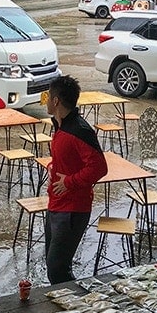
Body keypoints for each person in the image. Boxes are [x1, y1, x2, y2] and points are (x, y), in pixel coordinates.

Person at [44, 75, 108, 284]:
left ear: (56, 101)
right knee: (53, 264)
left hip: (72, 209)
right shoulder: (60, 126)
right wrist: (53, 169)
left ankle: (78, 309)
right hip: (56, 203)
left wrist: (68, 182)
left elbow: (99, 167)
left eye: (47, 96)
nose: (45, 100)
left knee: (57, 269)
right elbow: (68, 159)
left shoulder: (80, 130)